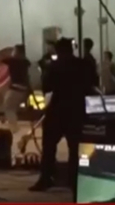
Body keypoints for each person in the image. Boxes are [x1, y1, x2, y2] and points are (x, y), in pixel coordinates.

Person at [31, 38, 88, 192]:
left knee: (49, 147)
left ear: (58, 50)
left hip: (57, 110)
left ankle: (46, 179)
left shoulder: (54, 66)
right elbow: (90, 84)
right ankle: (74, 180)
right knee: (75, 149)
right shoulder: (83, 65)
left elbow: (47, 87)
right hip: (76, 111)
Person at [1, 44, 32, 135]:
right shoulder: (25, 62)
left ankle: (14, 128)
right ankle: (12, 123)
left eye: (14, 51)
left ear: (17, 52)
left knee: (8, 107)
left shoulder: (13, 61)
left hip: (16, 88)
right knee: (12, 106)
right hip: (24, 89)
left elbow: (2, 59)